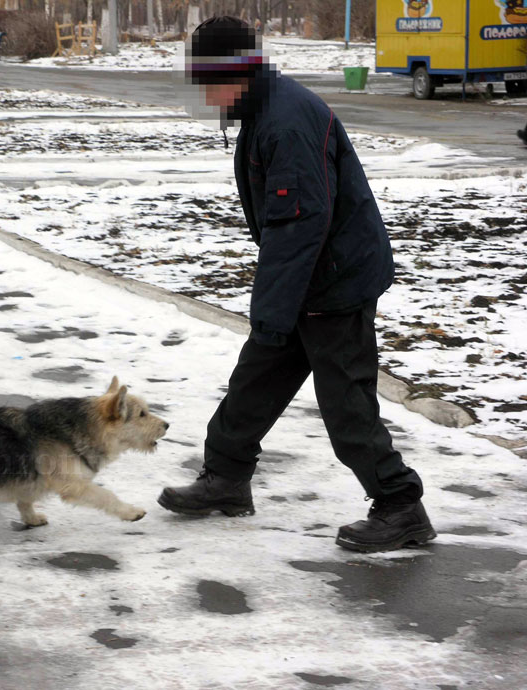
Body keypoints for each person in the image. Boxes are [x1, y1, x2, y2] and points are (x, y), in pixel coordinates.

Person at [158, 15, 436, 554]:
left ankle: (401, 506)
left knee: (346, 405)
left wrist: (273, 314)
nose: (206, 95)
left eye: (208, 80)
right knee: (254, 382)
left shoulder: (284, 121)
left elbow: (298, 225)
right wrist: (276, 314)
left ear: (237, 70)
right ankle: (227, 480)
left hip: (334, 282)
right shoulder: (262, 106)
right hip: (306, 278)